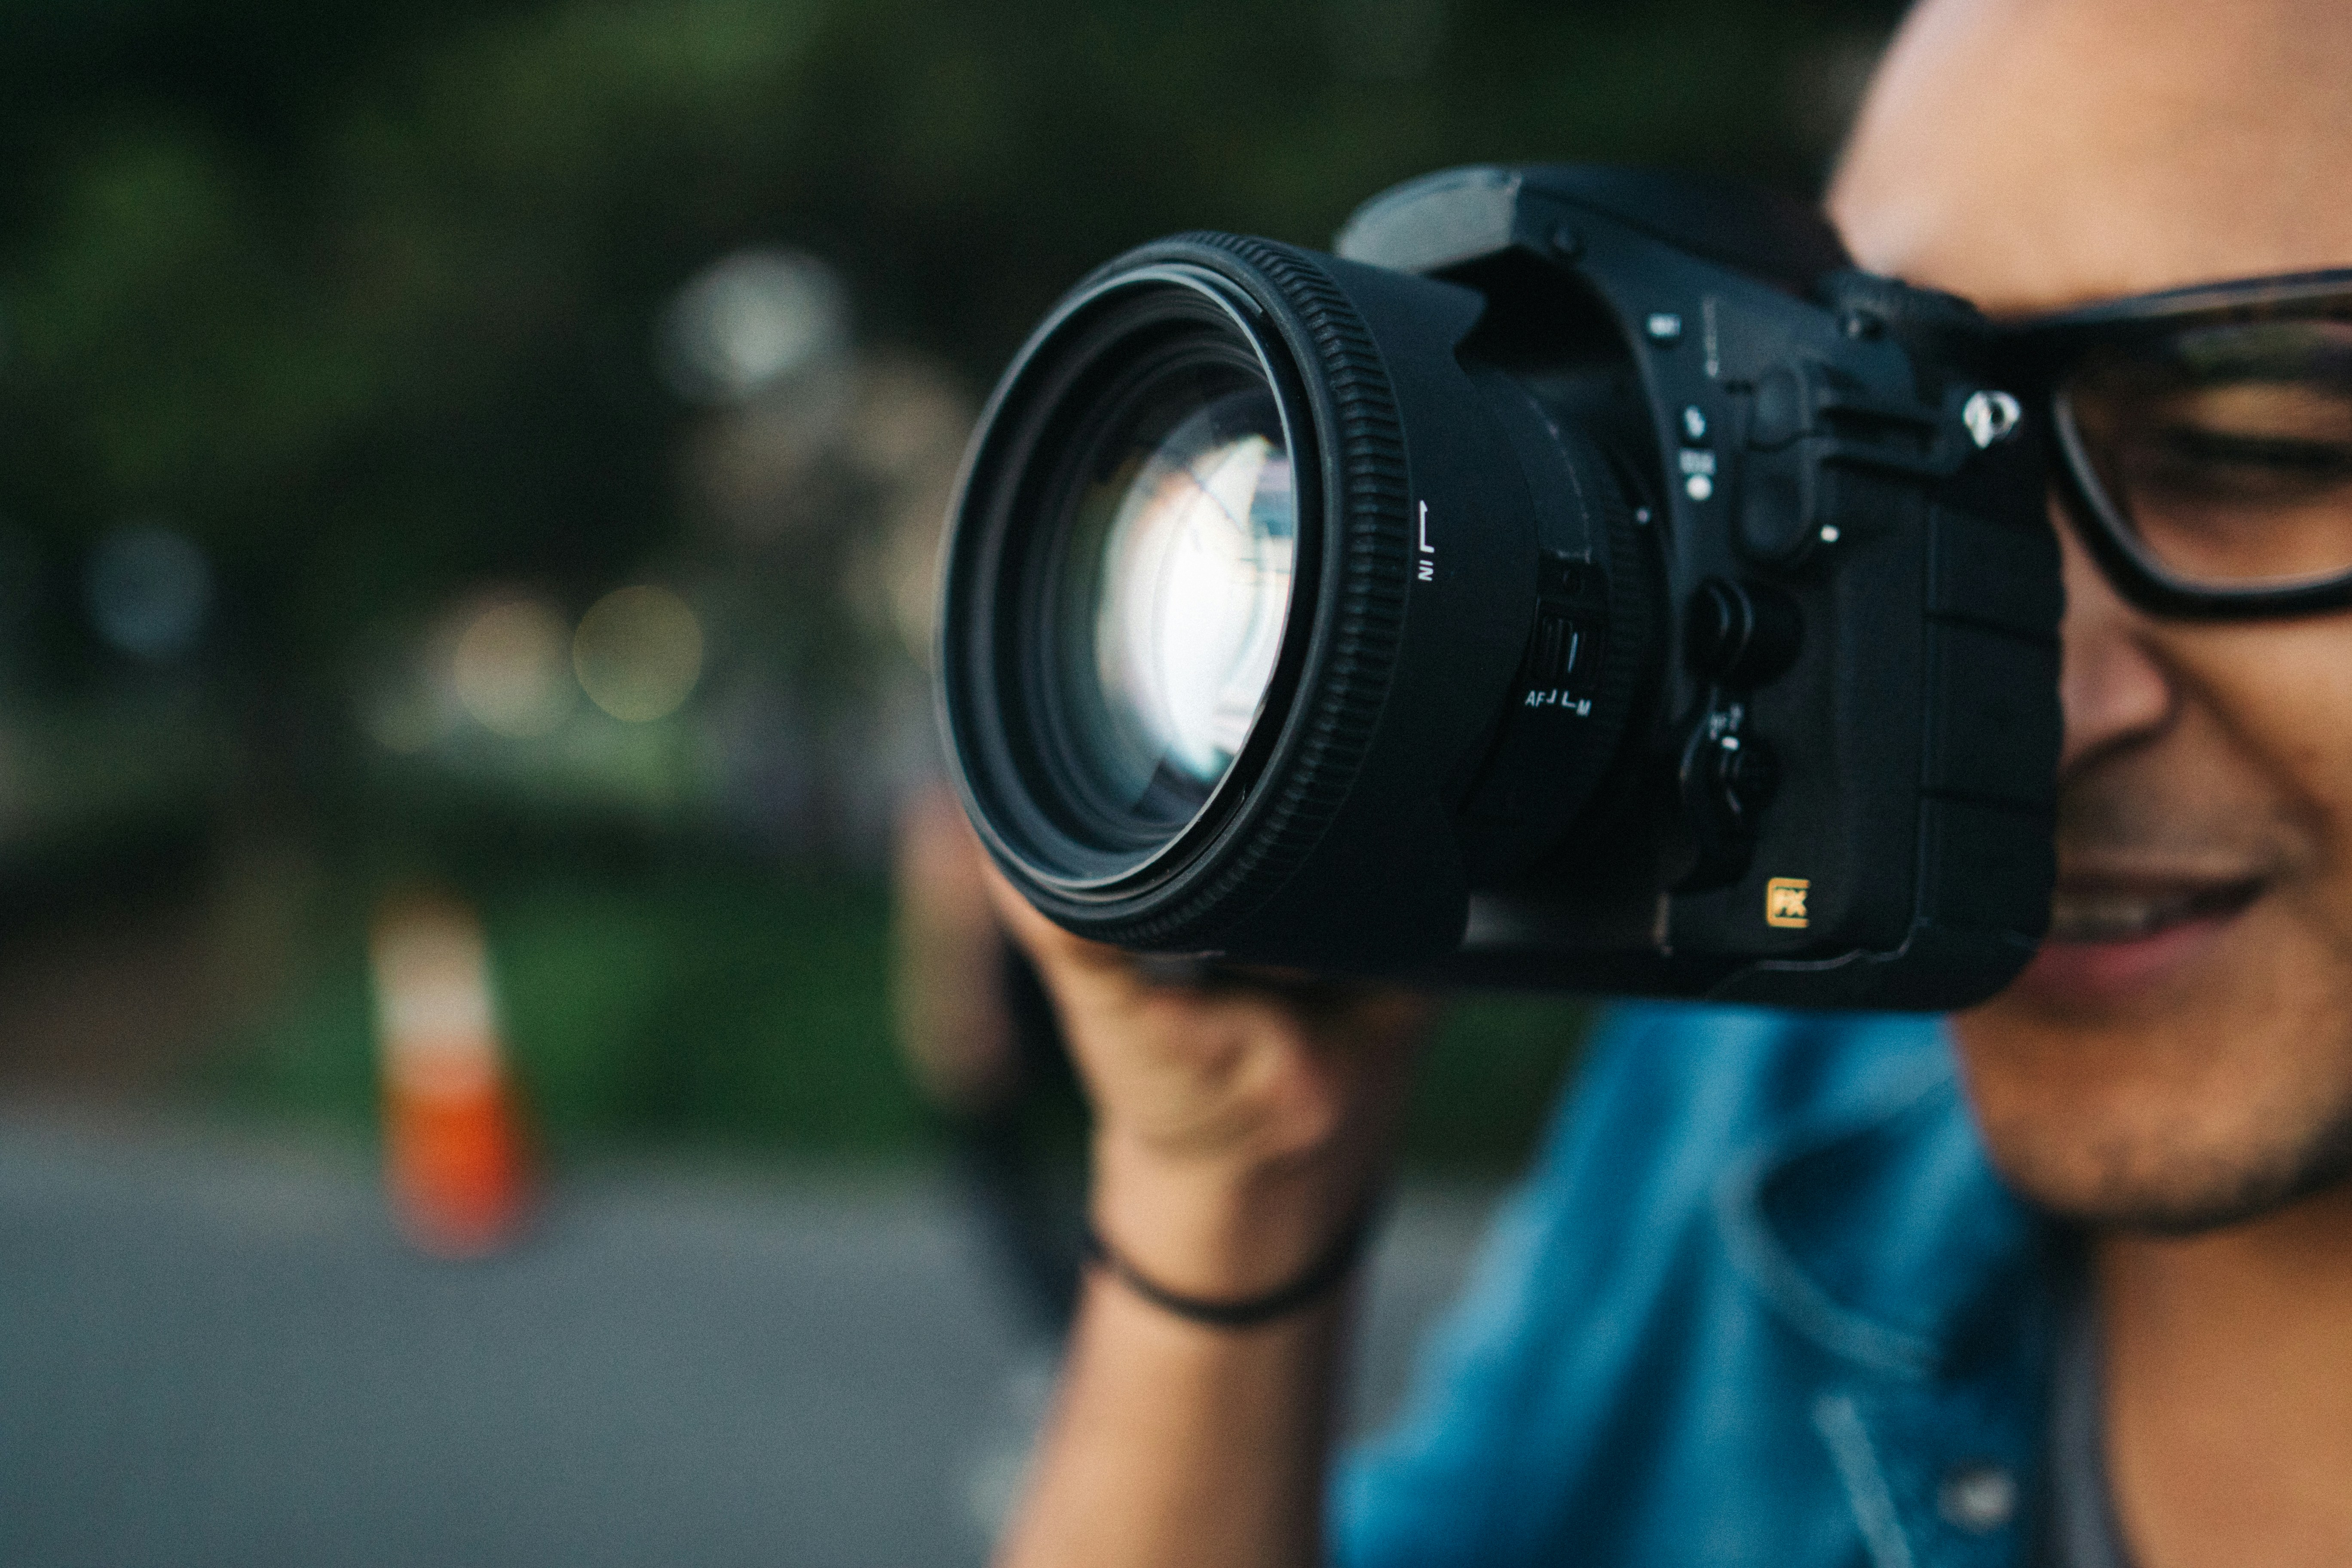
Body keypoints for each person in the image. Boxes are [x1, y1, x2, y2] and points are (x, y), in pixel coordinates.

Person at [982, 0, 2352, 1563]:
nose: (2031, 702)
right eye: (1886, 446)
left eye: (2257, 448)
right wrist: (1231, 1188)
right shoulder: (1752, 1096)